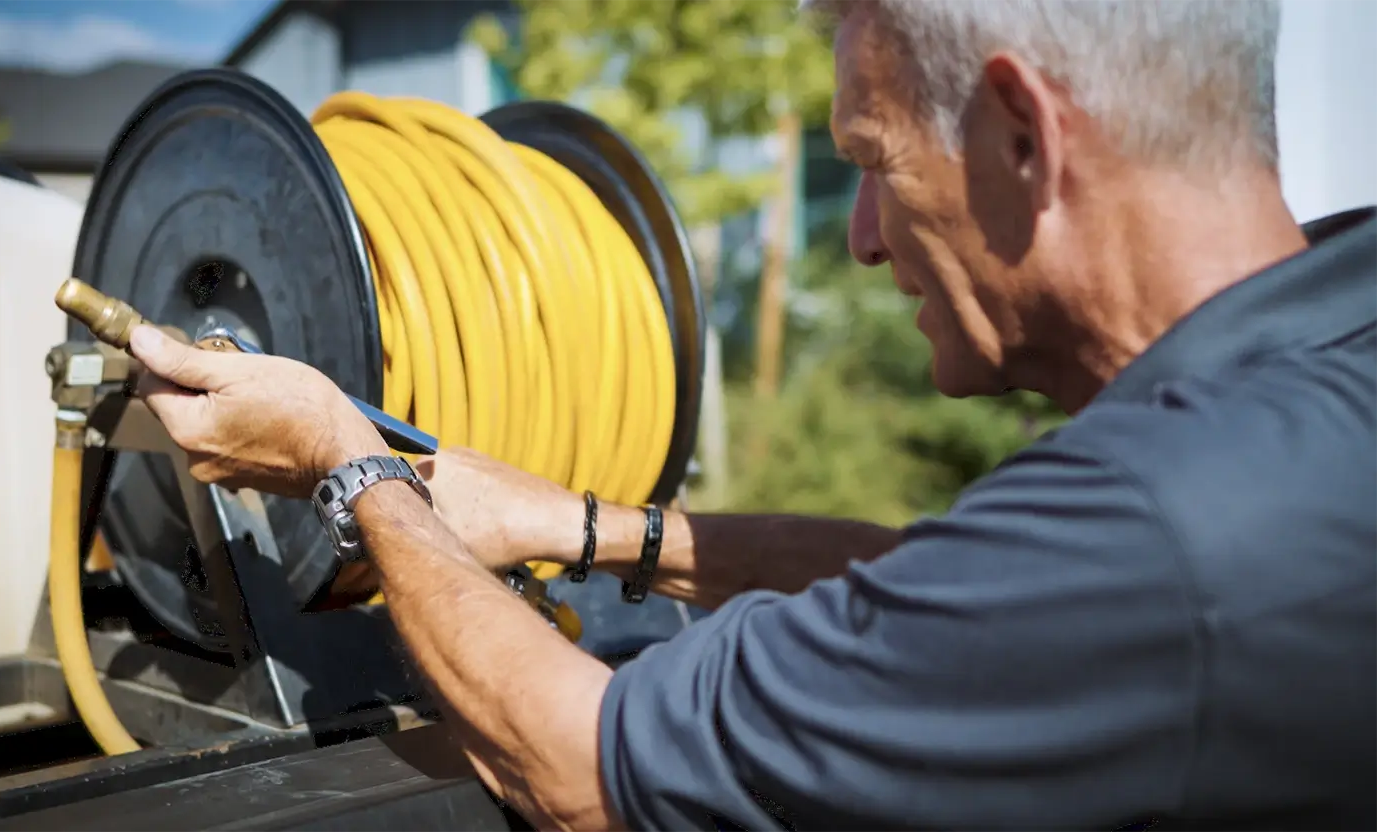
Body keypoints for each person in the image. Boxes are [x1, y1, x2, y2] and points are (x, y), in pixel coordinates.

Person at [126, 0, 1377, 828]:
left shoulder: (1159, 540)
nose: (864, 237)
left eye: (872, 160)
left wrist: (351, 460)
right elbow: (950, 589)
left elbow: (579, 762)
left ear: (1022, 136)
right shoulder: (1321, 357)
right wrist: (591, 525)